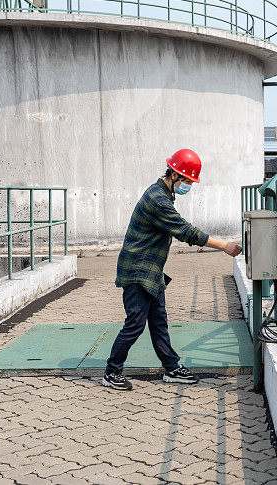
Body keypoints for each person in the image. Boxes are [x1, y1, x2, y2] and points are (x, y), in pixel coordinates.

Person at [102, 149, 242, 390]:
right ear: (175, 175)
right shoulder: (158, 200)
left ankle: (171, 367)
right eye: (187, 181)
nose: (189, 186)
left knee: (159, 322)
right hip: (138, 270)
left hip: (151, 270)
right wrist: (224, 246)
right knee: (135, 323)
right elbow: (187, 231)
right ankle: (111, 372)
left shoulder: (163, 194)